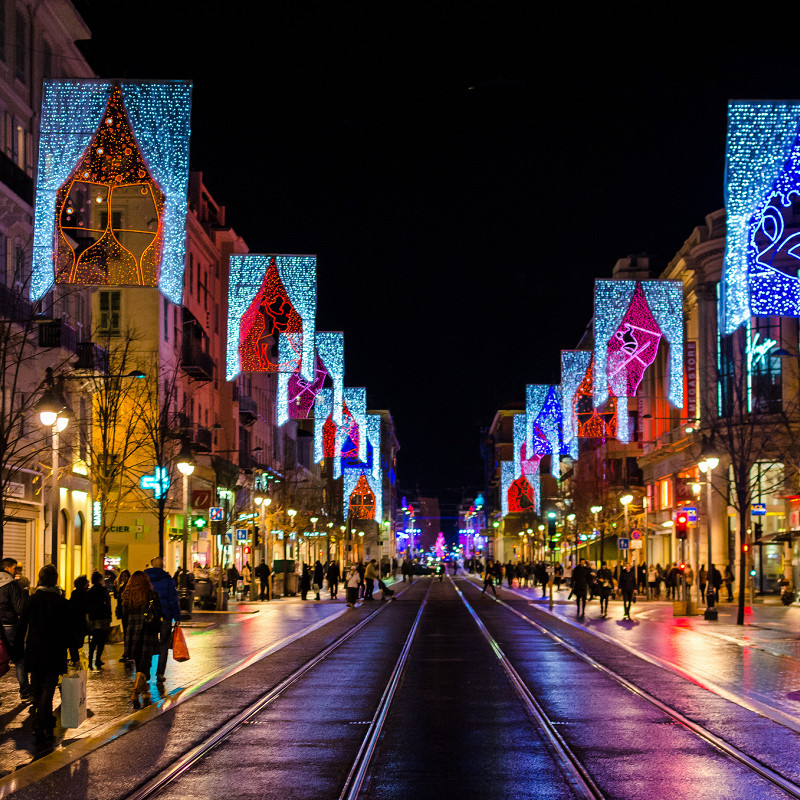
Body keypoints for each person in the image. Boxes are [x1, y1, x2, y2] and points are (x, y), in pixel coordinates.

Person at [21, 564, 71, 743]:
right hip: (54, 651)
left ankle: (39, 724)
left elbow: (22, 626)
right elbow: (68, 631)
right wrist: (72, 654)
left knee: (37, 688)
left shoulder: (32, 600)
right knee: (48, 689)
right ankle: (45, 724)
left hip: (35, 651)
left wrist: (17, 649)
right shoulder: (62, 603)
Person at [122, 571, 162, 708]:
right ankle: (135, 692)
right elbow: (159, 612)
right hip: (147, 633)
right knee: (145, 665)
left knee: (140, 664)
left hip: (132, 634)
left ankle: (145, 694)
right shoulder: (151, 595)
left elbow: (124, 616)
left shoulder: (127, 596)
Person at [144, 557, 181, 685]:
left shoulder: (145, 578)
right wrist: (177, 617)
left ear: (152, 565)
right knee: (164, 645)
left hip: (150, 616)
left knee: (148, 643)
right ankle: (160, 673)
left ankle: (146, 672)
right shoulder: (167, 579)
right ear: (162, 566)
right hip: (165, 616)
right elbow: (172, 599)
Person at [0, 556, 30, 700]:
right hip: (9, 626)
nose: (15, 571)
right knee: (19, 660)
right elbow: (19, 608)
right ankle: (25, 692)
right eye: (14, 568)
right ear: (8, 568)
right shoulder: (11, 585)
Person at [86, 570, 112, 669]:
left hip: (93, 618)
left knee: (94, 639)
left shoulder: (90, 592)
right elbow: (108, 603)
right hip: (103, 617)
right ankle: (97, 659)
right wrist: (109, 616)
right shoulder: (103, 590)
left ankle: (90, 659)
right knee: (101, 640)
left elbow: (87, 605)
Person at [68, 575, 90, 663]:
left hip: (75, 622)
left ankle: (75, 660)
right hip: (80, 622)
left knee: (76, 643)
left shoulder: (75, 593)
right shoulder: (84, 594)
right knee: (78, 643)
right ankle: (76, 661)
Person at [115, 570, 131, 661]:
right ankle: (126, 652)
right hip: (124, 613)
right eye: (122, 576)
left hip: (129, 613)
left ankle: (128, 652)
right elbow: (119, 601)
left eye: (126, 576)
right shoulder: (121, 588)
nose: (124, 578)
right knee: (126, 633)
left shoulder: (130, 587)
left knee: (129, 633)